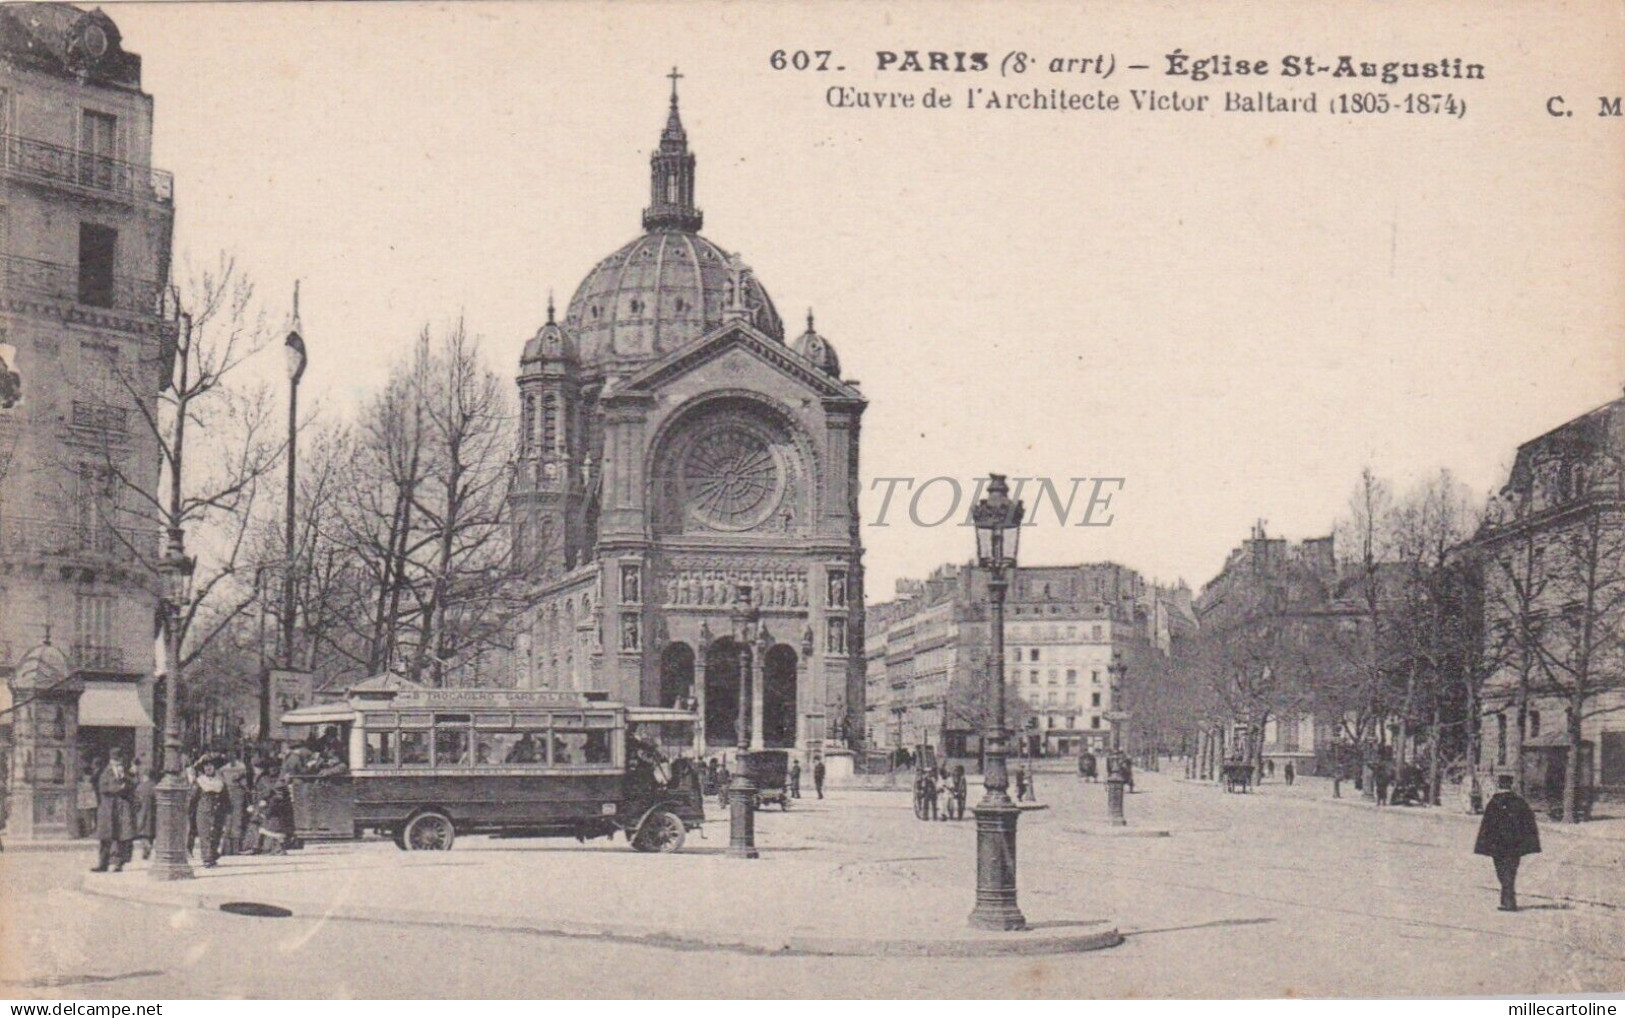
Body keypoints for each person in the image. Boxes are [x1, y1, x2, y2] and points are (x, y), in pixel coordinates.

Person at [1475, 774, 1541, 911]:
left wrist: (1484, 843)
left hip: (1497, 845)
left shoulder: (1493, 803)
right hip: (1514, 845)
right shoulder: (1520, 803)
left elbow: (1487, 825)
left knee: (1501, 871)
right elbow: (1529, 823)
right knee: (1511, 871)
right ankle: (1508, 901)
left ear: (1499, 785)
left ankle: (1508, 902)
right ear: (1511, 786)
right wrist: (1528, 841)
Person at [91, 748, 136, 872]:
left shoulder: (125, 773)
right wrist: (119, 788)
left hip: (121, 808)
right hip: (108, 809)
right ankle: (103, 864)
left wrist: (126, 779)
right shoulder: (104, 772)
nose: (118, 763)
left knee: (121, 837)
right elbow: (103, 788)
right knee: (106, 838)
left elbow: (133, 785)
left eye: (119, 760)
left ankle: (118, 863)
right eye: (116, 760)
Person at [189, 756, 228, 868]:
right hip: (203, 811)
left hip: (217, 811)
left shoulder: (220, 782)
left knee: (216, 834)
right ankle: (207, 858)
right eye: (206, 766)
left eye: (211, 765)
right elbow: (193, 798)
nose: (208, 768)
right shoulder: (200, 782)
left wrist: (226, 810)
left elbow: (225, 798)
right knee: (205, 834)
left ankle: (213, 855)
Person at [219, 752, 250, 857]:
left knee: (228, 821)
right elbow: (244, 784)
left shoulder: (223, 769)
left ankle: (226, 849)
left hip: (227, 795)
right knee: (237, 821)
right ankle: (236, 848)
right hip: (237, 796)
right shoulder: (242, 768)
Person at [132, 767, 157, 860]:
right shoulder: (154, 786)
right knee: (150, 832)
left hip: (141, 812)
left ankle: (146, 847)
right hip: (152, 813)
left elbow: (136, 801)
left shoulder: (140, 787)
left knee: (141, 832)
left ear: (144, 776)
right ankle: (148, 847)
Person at [76, 763, 100, 839]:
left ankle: (87, 831)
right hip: (90, 799)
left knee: (86, 815)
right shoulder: (92, 780)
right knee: (91, 815)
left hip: (85, 799)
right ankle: (90, 830)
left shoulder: (81, 781)